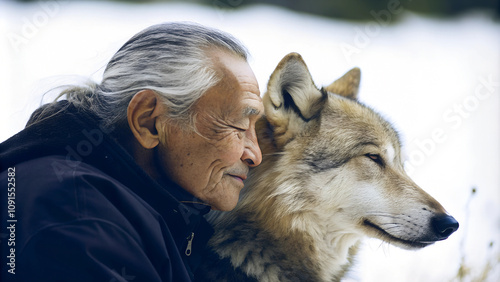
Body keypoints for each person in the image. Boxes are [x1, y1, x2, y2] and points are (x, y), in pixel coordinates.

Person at [0, 22, 263, 281]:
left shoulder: (129, 211)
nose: (255, 154)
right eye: (238, 125)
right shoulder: (74, 216)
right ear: (148, 121)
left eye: (255, 128)